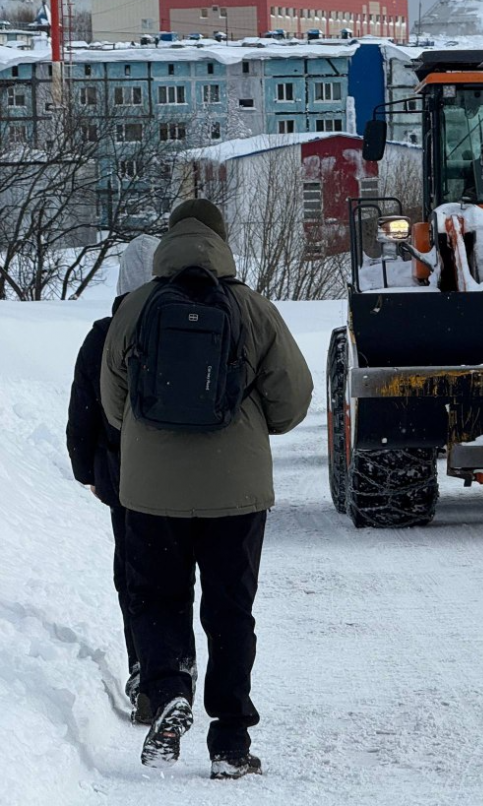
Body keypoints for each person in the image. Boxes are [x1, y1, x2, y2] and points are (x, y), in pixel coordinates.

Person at [101, 199, 313, 779]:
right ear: (223, 242)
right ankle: (230, 742)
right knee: (229, 611)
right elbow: (292, 401)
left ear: (170, 241)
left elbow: (112, 402)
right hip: (236, 493)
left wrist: (150, 436)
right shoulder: (252, 307)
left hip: (150, 491)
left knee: (156, 596)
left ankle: (168, 688)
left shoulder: (138, 306)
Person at [66, 235, 174, 725]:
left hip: (125, 476)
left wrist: (87, 470)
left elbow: (83, 412)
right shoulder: (182, 327)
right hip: (185, 475)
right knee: (177, 576)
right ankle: (178, 669)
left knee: (135, 577)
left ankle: (145, 672)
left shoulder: (105, 334)